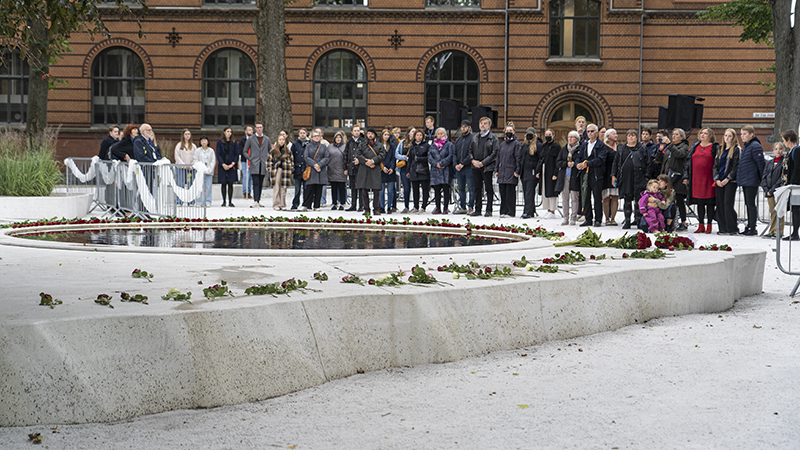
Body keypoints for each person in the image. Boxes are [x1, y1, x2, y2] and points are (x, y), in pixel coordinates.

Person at [612, 130, 652, 229]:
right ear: (626, 137)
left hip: (639, 177)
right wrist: (613, 175)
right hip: (625, 178)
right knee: (627, 199)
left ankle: (638, 221)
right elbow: (615, 163)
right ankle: (627, 221)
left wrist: (646, 176)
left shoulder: (642, 148)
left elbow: (649, 163)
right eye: (629, 136)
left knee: (639, 201)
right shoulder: (621, 149)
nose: (631, 138)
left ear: (636, 137)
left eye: (633, 136)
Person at [685, 127, 719, 233]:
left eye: (705, 133)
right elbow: (688, 161)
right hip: (696, 179)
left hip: (709, 178)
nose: (702, 135)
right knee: (700, 203)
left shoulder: (715, 147)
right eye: (701, 133)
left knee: (709, 202)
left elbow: (717, 163)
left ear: (710, 136)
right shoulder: (695, 146)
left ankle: (709, 225)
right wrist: (686, 176)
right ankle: (700, 225)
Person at [656, 128, 690, 231]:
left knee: (679, 200)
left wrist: (670, 145)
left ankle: (683, 222)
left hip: (678, 177)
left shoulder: (684, 146)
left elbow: (680, 154)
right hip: (668, 177)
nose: (673, 136)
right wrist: (660, 150)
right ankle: (670, 222)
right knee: (668, 200)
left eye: (676, 134)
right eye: (673, 134)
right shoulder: (670, 147)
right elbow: (659, 160)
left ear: (682, 137)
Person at [576, 124, 608, 227]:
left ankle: (598, 219)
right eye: (588, 131)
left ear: (597, 132)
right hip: (585, 174)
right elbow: (579, 156)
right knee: (586, 197)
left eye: (592, 131)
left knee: (597, 198)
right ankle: (588, 219)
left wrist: (587, 164)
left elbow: (601, 159)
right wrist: (578, 164)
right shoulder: (584, 145)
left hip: (596, 175)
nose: (590, 133)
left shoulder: (601, 145)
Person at [738, 125, 766, 236]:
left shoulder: (755, 146)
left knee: (750, 204)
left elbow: (760, 164)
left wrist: (762, 179)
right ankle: (749, 225)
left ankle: (752, 227)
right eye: (741, 134)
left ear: (751, 135)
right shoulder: (747, 146)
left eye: (745, 134)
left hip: (751, 179)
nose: (742, 136)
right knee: (748, 203)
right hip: (746, 179)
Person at [469, 116, 499, 217]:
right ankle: (478, 209)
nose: (483, 125)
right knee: (477, 189)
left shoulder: (493, 138)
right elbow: (469, 151)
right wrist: (473, 161)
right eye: (481, 123)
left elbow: (494, 153)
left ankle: (489, 210)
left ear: (489, 125)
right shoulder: (475, 137)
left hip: (487, 167)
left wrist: (483, 163)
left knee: (488, 189)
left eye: (485, 123)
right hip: (475, 167)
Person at [713, 128, 741, 235]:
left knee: (727, 204)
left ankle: (732, 228)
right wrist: (716, 179)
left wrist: (728, 178)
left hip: (730, 181)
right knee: (720, 204)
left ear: (733, 138)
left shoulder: (736, 150)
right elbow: (715, 166)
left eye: (729, 136)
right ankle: (722, 227)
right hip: (719, 181)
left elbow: (735, 166)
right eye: (725, 136)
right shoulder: (720, 149)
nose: (727, 138)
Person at [355, 128, 386, 216]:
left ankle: (376, 209)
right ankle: (366, 209)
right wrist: (366, 162)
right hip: (364, 169)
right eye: (368, 133)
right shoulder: (362, 144)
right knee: (364, 190)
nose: (370, 135)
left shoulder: (379, 145)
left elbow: (382, 155)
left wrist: (373, 161)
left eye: (372, 133)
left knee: (376, 190)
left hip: (375, 168)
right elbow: (358, 154)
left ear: (375, 135)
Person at [297, 130, 329, 211]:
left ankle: (317, 205)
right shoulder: (308, 146)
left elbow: (326, 157)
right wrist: (314, 164)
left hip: (320, 170)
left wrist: (320, 164)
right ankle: (306, 205)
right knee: (309, 187)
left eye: (318, 136)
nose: (317, 137)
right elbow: (306, 157)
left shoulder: (323, 146)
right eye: (315, 136)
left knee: (319, 188)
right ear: (311, 137)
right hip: (311, 169)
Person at [495, 122, 521, 218]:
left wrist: (517, 170)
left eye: (510, 130)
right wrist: (496, 169)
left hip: (511, 171)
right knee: (503, 192)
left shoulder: (516, 144)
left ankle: (510, 211)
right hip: (502, 171)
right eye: (507, 130)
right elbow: (498, 157)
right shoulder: (502, 144)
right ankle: (503, 211)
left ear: (514, 132)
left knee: (510, 193)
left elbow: (518, 158)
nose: (508, 132)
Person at [555, 130, 582, 225]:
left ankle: (573, 218)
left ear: (577, 139)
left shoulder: (580, 149)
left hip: (575, 176)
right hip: (565, 176)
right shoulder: (564, 149)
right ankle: (565, 217)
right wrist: (566, 164)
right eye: (568, 137)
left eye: (572, 137)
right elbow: (558, 162)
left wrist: (575, 164)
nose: (569, 139)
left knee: (575, 198)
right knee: (565, 198)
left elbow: (582, 161)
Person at [761, 142, 787, 238]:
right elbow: (764, 176)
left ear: (783, 150)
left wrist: (772, 189)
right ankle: (771, 231)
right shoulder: (770, 163)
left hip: (777, 190)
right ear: (772, 151)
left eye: (780, 148)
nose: (778, 151)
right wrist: (766, 188)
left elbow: (781, 177)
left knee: (779, 211)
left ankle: (779, 231)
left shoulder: (784, 162)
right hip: (769, 191)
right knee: (772, 211)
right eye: (776, 149)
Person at [243, 123, 270, 208]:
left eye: (260, 127)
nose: (259, 129)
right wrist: (250, 159)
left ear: (262, 128)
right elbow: (245, 151)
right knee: (255, 182)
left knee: (260, 183)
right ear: (255, 129)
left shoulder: (266, 139)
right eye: (257, 128)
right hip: (254, 163)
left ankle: (258, 200)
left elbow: (270, 151)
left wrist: (268, 159)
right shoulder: (251, 139)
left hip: (263, 163)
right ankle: (255, 200)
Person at [428, 127, 453, 215]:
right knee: (437, 190)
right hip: (435, 170)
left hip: (445, 170)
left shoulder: (449, 144)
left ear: (445, 134)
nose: (440, 135)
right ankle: (438, 207)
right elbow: (430, 157)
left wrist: (442, 163)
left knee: (446, 190)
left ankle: (446, 207)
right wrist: (436, 164)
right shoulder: (433, 145)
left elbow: (450, 156)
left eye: (442, 133)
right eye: (438, 133)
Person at [453, 120, 475, 215]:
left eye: (465, 127)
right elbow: (454, 153)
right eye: (462, 126)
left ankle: (470, 206)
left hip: (468, 167)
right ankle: (463, 206)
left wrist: (463, 163)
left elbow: (471, 153)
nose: (463, 128)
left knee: (471, 188)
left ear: (469, 128)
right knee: (461, 188)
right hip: (459, 168)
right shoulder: (458, 140)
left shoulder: (473, 139)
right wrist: (455, 164)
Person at [781, 129, 800, 241]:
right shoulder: (791, 151)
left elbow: (797, 168)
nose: (783, 143)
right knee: (795, 209)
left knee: (796, 209)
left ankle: (795, 233)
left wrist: (792, 183)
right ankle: (794, 232)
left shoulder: (796, 151)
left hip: (796, 185)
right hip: (792, 184)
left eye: (784, 140)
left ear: (789, 140)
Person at [267, 133, 294, 210]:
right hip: (276, 170)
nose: (281, 141)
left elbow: (291, 160)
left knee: (283, 188)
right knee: (276, 187)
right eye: (280, 140)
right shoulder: (273, 150)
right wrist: (270, 169)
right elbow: (269, 161)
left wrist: (291, 167)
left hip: (286, 170)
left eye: (283, 140)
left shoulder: (288, 151)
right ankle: (276, 204)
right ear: (277, 141)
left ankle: (282, 204)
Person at [519, 127, 541, 219]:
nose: (528, 135)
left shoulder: (538, 145)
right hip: (524, 172)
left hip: (532, 172)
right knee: (526, 192)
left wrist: (537, 170)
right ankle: (531, 210)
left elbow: (540, 159)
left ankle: (527, 211)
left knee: (529, 192)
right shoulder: (524, 145)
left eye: (530, 133)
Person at [408, 129, 431, 213]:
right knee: (415, 190)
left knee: (425, 189)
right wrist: (408, 171)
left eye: (420, 135)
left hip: (423, 170)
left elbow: (429, 158)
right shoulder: (412, 146)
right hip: (414, 170)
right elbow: (410, 160)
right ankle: (415, 206)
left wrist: (420, 159)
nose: (419, 137)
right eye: (417, 135)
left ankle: (423, 206)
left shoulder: (427, 146)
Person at [540, 128, 560, 218]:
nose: (548, 136)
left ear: (553, 135)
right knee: (545, 190)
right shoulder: (543, 146)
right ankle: (547, 209)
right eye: (546, 134)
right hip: (545, 170)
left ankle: (552, 210)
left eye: (550, 134)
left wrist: (556, 173)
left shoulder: (556, 147)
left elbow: (558, 161)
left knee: (552, 191)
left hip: (552, 171)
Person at [216, 127, 239, 208]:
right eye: (228, 131)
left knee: (230, 183)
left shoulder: (234, 142)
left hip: (231, 165)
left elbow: (237, 153)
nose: (229, 133)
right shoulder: (219, 142)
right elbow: (218, 154)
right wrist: (223, 164)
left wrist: (232, 164)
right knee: (223, 183)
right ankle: (224, 201)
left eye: (230, 132)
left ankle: (230, 201)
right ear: (224, 132)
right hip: (223, 165)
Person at [601, 128, 619, 225]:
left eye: (616, 134)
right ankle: (607, 219)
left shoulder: (619, 147)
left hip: (616, 174)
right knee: (607, 197)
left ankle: (613, 218)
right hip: (606, 173)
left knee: (615, 196)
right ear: (608, 136)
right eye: (613, 134)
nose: (616, 135)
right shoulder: (604, 147)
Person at [395, 127, 416, 214]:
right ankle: (406, 206)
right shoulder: (402, 143)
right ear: (408, 133)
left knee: (415, 188)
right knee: (406, 188)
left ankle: (416, 206)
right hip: (404, 167)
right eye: (412, 132)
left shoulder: (416, 143)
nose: (414, 133)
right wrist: (405, 158)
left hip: (414, 167)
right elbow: (396, 154)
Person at [174, 129, 196, 204]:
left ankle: (191, 201)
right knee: (180, 184)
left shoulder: (193, 146)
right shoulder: (179, 145)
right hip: (181, 168)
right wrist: (183, 165)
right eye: (186, 134)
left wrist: (191, 165)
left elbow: (195, 157)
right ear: (183, 135)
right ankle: (179, 201)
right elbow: (177, 156)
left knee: (191, 185)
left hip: (190, 168)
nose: (187, 136)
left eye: (189, 134)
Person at [327, 131, 348, 211]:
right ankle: (334, 203)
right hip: (332, 169)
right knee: (334, 187)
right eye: (337, 138)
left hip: (341, 169)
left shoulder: (345, 147)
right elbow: (327, 156)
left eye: (340, 138)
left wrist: (346, 168)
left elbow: (346, 158)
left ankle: (342, 203)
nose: (338, 139)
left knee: (342, 187)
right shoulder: (330, 147)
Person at [344, 125, 363, 211]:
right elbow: (345, 155)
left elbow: (365, 154)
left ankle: (361, 205)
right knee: (353, 187)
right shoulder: (349, 142)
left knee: (361, 187)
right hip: (351, 167)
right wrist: (345, 167)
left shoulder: (363, 141)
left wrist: (360, 160)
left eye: (358, 130)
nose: (356, 132)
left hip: (360, 168)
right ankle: (353, 205)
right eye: (355, 131)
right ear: (352, 132)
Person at [194, 135, 216, 207]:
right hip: (200, 169)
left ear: (208, 142)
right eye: (202, 141)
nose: (203, 142)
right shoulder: (198, 150)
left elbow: (213, 161)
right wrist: (200, 169)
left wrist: (209, 170)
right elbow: (195, 160)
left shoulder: (211, 150)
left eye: (205, 141)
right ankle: (199, 202)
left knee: (208, 186)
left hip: (208, 169)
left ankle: (208, 201)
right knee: (200, 186)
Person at [291, 129, 309, 210]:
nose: (302, 134)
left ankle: (306, 203)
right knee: (297, 188)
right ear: (298, 134)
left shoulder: (309, 143)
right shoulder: (295, 144)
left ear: (306, 134)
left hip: (306, 169)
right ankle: (295, 203)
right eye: (301, 133)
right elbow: (292, 156)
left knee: (306, 188)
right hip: (297, 169)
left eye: (304, 133)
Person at [379, 129, 397, 214]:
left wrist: (392, 168)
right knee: (381, 190)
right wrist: (382, 167)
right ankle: (381, 206)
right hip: (381, 169)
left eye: (388, 135)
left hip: (390, 170)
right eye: (385, 134)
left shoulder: (392, 145)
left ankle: (389, 206)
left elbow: (393, 157)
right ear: (382, 135)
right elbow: (377, 157)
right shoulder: (378, 145)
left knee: (390, 190)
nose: (386, 136)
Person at [239, 125, 254, 200]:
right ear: (245, 131)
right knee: (246, 176)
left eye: (251, 130)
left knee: (250, 177)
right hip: (245, 160)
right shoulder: (242, 141)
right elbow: (241, 150)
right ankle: (245, 192)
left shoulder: (254, 140)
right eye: (249, 130)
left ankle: (249, 192)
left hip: (252, 161)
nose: (251, 131)